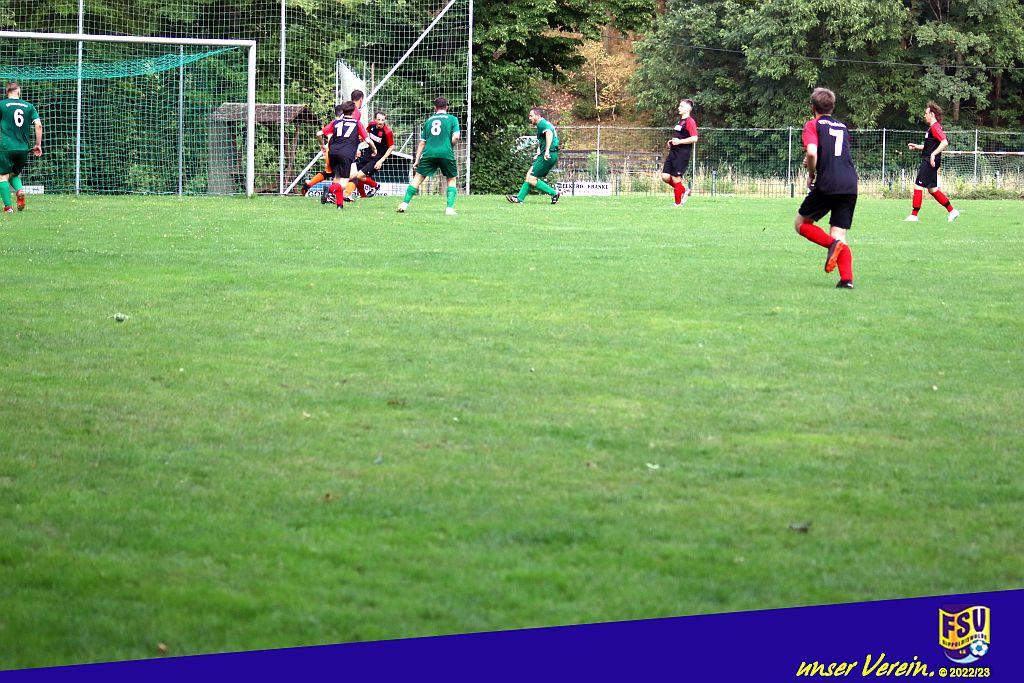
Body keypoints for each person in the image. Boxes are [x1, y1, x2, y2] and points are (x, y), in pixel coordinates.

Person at [794, 87, 857, 289]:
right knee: (839, 234)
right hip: (850, 183)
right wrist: (814, 160)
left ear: (812, 107)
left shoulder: (812, 125)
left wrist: (811, 174)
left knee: (801, 223)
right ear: (832, 107)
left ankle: (832, 245)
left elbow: (812, 152)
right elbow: (832, 153)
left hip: (828, 183)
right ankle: (846, 280)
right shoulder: (842, 127)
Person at [396, 97, 460, 216]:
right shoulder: (452, 119)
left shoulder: (429, 121)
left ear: (435, 108)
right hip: (446, 153)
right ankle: (449, 209)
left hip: (429, 153)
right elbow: (456, 137)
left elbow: (422, 143)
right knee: (451, 178)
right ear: (447, 107)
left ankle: (404, 204)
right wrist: (450, 144)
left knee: (418, 177)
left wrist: (416, 160)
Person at [301, 89, 366, 197]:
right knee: (352, 176)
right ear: (361, 99)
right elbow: (350, 132)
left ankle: (311, 185)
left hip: (332, 148)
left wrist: (324, 145)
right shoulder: (355, 113)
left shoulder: (339, 118)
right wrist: (356, 148)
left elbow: (324, 132)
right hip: (344, 149)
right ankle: (341, 194)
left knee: (333, 173)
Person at [904, 101, 959, 223]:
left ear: (932, 114)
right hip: (931, 160)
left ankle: (914, 215)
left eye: (926, 113)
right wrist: (917, 146)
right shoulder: (932, 128)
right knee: (933, 189)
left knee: (918, 185)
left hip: (930, 161)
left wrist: (933, 154)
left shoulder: (935, 127)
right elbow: (930, 146)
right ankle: (952, 211)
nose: (924, 115)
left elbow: (944, 142)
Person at [318, 100, 376, 209]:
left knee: (345, 176)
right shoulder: (357, 123)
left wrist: (322, 145)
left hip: (333, 153)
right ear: (353, 111)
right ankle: (329, 190)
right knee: (344, 184)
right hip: (346, 154)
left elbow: (319, 133)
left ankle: (339, 205)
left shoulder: (336, 122)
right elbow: (368, 140)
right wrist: (374, 149)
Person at [0, 82, 42, 214]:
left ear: (7, 92)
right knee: (14, 174)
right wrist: (38, 145)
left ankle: (8, 208)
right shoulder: (29, 106)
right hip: (23, 148)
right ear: (18, 91)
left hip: (6, 147)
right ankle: (19, 191)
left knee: (2, 176)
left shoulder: (2, 105)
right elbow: (38, 125)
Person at [506, 107, 561, 205]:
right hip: (548, 154)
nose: (529, 118)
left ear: (538, 116)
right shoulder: (545, 123)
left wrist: (547, 151)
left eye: (531, 116)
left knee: (531, 178)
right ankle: (519, 199)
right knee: (529, 175)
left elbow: (549, 134)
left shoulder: (541, 124)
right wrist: (540, 152)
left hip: (548, 154)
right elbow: (545, 138)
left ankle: (554, 193)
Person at [661, 98, 698, 206]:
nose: (678, 108)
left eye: (681, 106)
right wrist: (672, 142)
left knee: (675, 178)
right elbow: (679, 136)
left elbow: (694, 138)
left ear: (688, 109)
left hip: (682, 154)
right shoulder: (681, 121)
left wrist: (680, 142)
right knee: (665, 176)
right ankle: (684, 190)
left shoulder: (690, 121)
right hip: (673, 152)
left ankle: (678, 203)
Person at [352, 110, 395, 198]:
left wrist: (381, 161)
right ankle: (363, 197)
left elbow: (391, 147)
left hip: (378, 157)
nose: (380, 122)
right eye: (378, 119)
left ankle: (375, 186)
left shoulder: (387, 132)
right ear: (375, 119)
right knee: (356, 175)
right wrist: (358, 147)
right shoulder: (371, 125)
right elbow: (365, 134)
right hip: (369, 152)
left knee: (360, 175)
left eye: (383, 120)